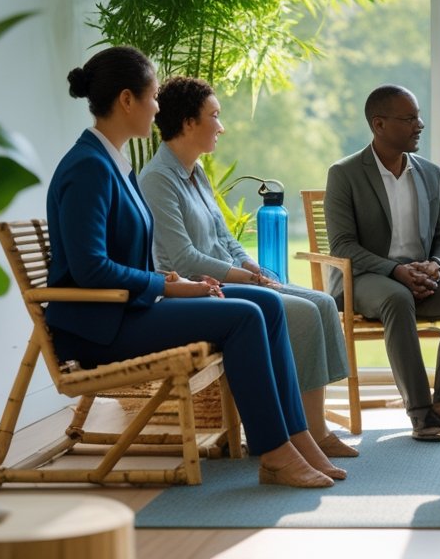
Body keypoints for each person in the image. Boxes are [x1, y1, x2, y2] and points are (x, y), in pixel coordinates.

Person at [47, 46, 344, 488]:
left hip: (126, 307)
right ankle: (275, 453)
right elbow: (91, 269)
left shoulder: (113, 163)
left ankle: (296, 436)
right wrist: (166, 286)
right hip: (100, 324)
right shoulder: (89, 168)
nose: (158, 108)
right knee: (244, 315)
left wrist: (170, 281)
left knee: (265, 301)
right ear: (127, 100)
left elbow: (120, 258)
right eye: (152, 97)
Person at [139, 76, 357, 458]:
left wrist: (252, 265)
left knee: (323, 302)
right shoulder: (158, 179)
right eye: (214, 116)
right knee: (303, 314)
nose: (221, 126)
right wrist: (247, 277)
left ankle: (314, 427)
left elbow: (224, 237)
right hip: (200, 289)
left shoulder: (196, 173)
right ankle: (300, 432)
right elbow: (185, 258)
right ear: (189, 123)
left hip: (233, 278)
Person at [324, 84, 440, 442]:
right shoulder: (345, 174)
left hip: (422, 275)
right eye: (409, 118)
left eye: (419, 116)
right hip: (365, 278)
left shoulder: (431, 174)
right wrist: (395, 271)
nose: (420, 125)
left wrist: (436, 266)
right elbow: (343, 246)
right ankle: (419, 411)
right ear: (379, 124)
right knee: (398, 297)